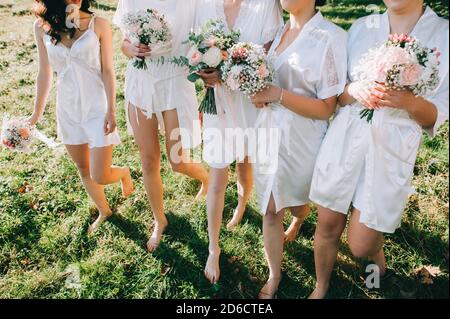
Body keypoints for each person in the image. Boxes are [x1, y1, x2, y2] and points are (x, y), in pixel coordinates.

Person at [309, 0, 449, 299]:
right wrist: (354, 90)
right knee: (328, 223)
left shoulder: (443, 34)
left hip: (390, 148)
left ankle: (374, 256)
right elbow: (340, 94)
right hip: (345, 138)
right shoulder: (362, 26)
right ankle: (321, 286)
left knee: (360, 245)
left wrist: (409, 102)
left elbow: (438, 115)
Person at [250, 0, 347, 299]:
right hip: (267, 133)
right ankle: (275, 274)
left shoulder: (331, 36)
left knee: (298, 201)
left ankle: (299, 217)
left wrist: (277, 94)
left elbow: (327, 108)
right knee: (269, 208)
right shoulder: (278, 31)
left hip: (304, 138)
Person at [30, 0, 134, 235]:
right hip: (67, 109)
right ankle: (104, 210)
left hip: (97, 108)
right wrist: (36, 114)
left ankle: (124, 173)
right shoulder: (42, 27)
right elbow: (44, 72)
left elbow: (108, 70)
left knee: (101, 173)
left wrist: (111, 110)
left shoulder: (99, 25)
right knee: (83, 168)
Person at [113, 0, 209, 252]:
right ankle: (159, 219)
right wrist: (131, 49)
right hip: (141, 83)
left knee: (177, 160)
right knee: (148, 159)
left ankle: (206, 179)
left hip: (174, 81)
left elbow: (204, 40)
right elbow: (123, 43)